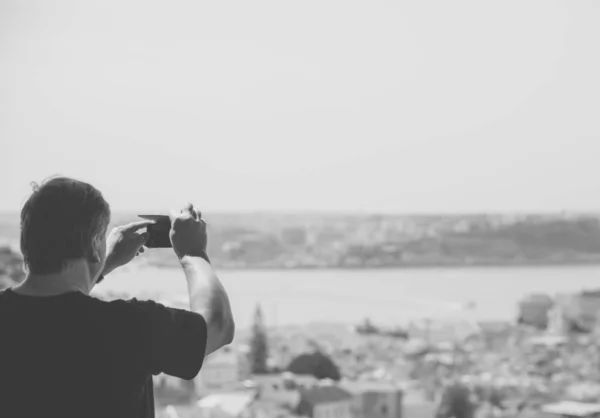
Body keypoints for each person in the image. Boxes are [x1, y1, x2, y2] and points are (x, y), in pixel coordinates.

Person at [0, 176, 235, 418]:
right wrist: (192, 252)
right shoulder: (127, 326)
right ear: (93, 245)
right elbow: (218, 326)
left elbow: (53, 312)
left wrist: (101, 263)